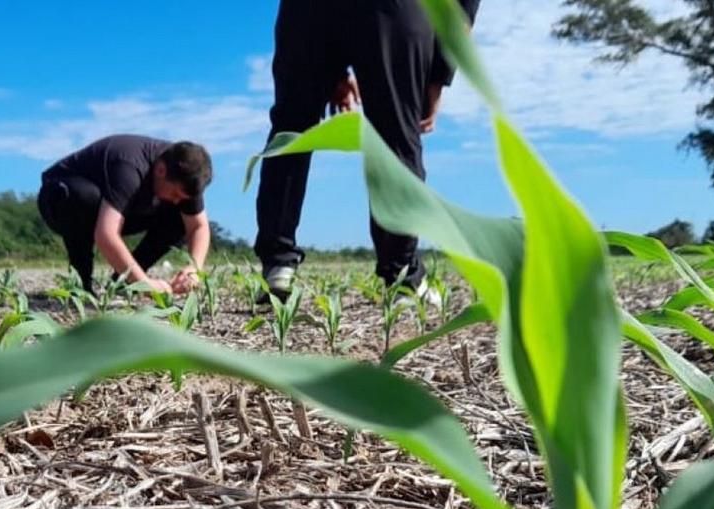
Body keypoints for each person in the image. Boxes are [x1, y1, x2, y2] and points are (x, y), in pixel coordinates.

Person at [253, 0, 481, 304]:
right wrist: (439, 71)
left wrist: (331, 66)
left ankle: (277, 264)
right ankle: (401, 275)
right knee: (396, 137)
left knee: (291, 129)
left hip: (306, 12)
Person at [37, 136, 214, 295]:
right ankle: (81, 283)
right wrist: (145, 284)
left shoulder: (188, 174)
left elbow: (198, 226)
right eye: (175, 194)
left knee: (180, 218)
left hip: (114, 207)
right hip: (60, 198)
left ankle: (122, 282)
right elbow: (106, 235)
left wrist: (194, 268)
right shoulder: (130, 166)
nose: (177, 201)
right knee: (84, 198)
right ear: (161, 170)